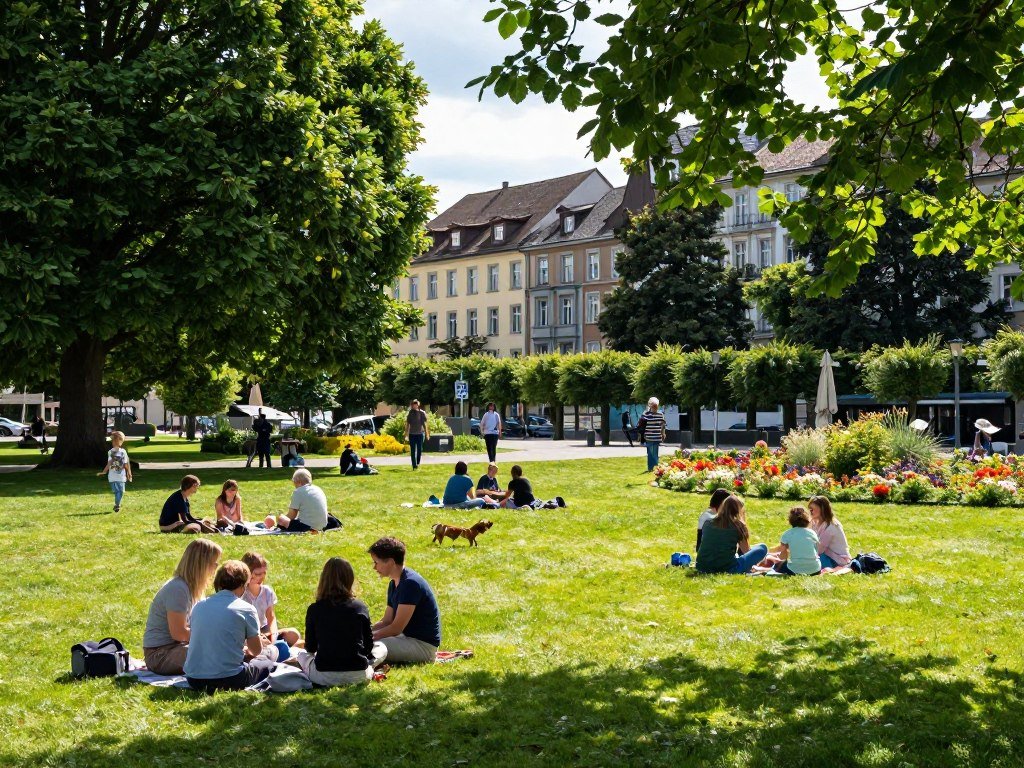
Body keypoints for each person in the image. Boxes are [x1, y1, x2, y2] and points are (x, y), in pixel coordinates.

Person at [183, 560, 278, 692]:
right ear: (243, 584)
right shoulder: (246, 609)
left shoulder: (199, 606)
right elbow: (255, 650)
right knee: (269, 655)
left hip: (194, 679)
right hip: (230, 679)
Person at [296, 557, 386, 686]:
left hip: (324, 675)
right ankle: (370, 668)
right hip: (359, 674)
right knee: (381, 647)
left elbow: (310, 647)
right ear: (350, 579)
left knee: (301, 655)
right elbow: (368, 646)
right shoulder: (360, 607)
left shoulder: (315, 609)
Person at [143, 538, 222, 675]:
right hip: (160, 654)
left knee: (219, 648)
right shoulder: (178, 589)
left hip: (178, 647)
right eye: (213, 563)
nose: (216, 567)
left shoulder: (194, 589)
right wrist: (212, 637)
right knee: (214, 651)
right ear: (201, 565)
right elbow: (179, 633)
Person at [369, 537, 441, 664]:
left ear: (390, 562)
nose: (374, 567)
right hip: (405, 638)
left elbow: (396, 628)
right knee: (366, 643)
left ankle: (364, 670)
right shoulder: (394, 583)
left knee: (372, 645)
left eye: (376, 562)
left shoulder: (410, 584)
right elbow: (387, 621)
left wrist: (367, 638)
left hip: (422, 646)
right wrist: (364, 632)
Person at [240, 551, 301, 646]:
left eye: (264, 572)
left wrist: (273, 634)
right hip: (247, 634)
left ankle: (273, 647)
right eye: (258, 574)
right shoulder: (241, 593)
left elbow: (271, 617)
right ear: (247, 573)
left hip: (264, 630)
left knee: (294, 634)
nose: (262, 577)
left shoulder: (267, 591)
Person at [695, 495, 768, 574]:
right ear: (738, 510)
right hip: (727, 568)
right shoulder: (738, 526)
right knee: (762, 548)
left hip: (702, 566)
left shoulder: (708, 523)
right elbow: (746, 551)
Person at [265, 468, 334, 531]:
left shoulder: (298, 492)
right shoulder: (318, 489)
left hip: (308, 528)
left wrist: (280, 519)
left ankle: (271, 525)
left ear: (298, 482)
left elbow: (291, 516)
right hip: (323, 525)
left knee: (281, 519)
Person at [771, 506, 822, 576]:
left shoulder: (787, 534)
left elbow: (782, 555)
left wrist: (772, 554)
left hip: (794, 569)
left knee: (777, 565)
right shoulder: (812, 533)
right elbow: (816, 550)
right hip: (815, 569)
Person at [808, 495, 851, 570]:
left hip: (836, 559)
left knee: (810, 563)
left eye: (812, 509)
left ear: (822, 509)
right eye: (810, 509)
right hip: (824, 555)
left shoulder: (831, 526)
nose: (810, 512)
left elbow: (819, 549)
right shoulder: (814, 522)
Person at [97, 430, 132, 513]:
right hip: (116, 476)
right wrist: (104, 471)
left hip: (117, 476)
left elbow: (125, 464)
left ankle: (117, 505)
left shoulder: (119, 452)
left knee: (119, 492)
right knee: (119, 491)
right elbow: (110, 463)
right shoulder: (114, 452)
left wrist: (129, 473)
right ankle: (117, 505)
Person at [639, 397, 667, 472]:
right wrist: (641, 436)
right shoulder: (646, 414)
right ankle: (652, 467)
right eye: (654, 406)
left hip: (657, 436)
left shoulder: (660, 414)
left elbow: (663, 425)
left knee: (654, 452)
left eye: (656, 406)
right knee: (650, 452)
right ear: (650, 406)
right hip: (649, 437)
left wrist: (663, 433)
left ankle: (654, 467)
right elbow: (642, 426)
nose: (655, 408)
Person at [404, 400, 430, 470]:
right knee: (412, 450)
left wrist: (427, 434)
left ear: (417, 405)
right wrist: (406, 434)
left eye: (415, 404)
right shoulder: (410, 413)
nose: (413, 406)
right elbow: (408, 424)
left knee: (419, 449)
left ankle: (417, 462)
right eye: (412, 405)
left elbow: (424, 424)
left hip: (420, 434)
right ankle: (414, 465)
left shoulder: (421, 413)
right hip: (412, 434)